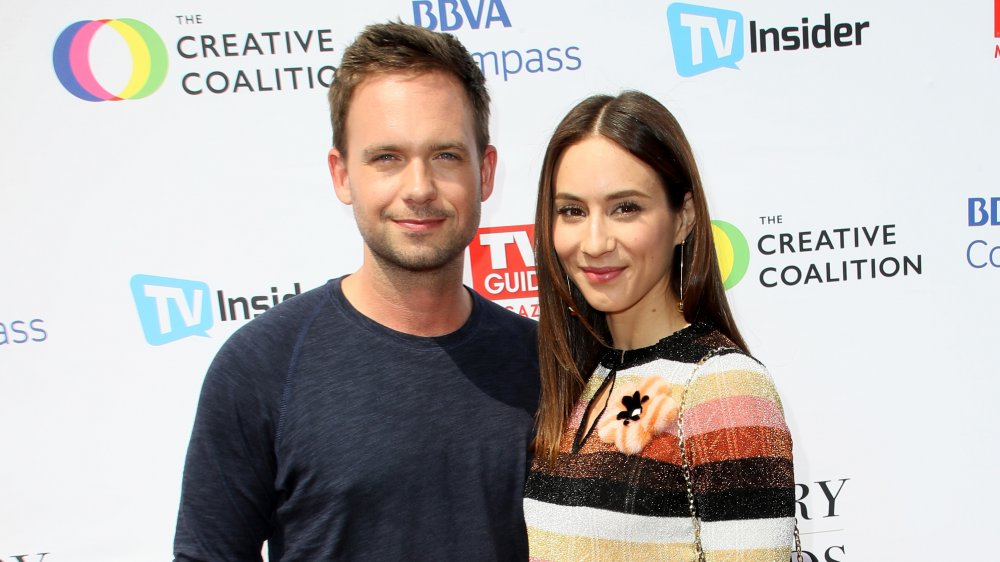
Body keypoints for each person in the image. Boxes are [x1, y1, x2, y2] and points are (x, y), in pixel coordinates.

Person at [173, 22, 539, 561]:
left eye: (445, 155)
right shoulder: (261, 368)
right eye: (387, 157)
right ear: (342, 175)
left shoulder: (543, 365)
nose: (418, 188)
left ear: (484, 172)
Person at [523, 92, 796, 561]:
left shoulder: (724, 388)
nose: (594, 242)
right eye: (572, 211)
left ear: (683, 218)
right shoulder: (582, 381)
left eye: (625, 207)